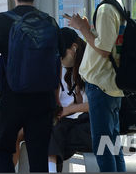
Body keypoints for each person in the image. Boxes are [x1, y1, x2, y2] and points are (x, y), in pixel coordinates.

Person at [0, 0, 59, 173]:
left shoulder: (3, 20)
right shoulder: (49, 22)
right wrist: (56, 99)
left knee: (1, 149)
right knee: (38, 155)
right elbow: (56, 62)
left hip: (12, 98)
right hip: (43, 100)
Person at [67, 0, 125, 172]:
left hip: (101, 87)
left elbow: (102, 49)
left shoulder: (106, 9)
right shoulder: (116, 3)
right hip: (109, 85)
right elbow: (104, 43)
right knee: (112, 145)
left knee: (104, 148)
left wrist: (81, 29)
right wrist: (87, 28)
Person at [48, 28, 91, 172]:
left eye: (61, 54)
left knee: (56, 132)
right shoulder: (74, 69)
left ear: (73, 48)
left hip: (96, 125)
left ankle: (51, 168)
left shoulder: (89, 67)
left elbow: (95, 105)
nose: (59, 59)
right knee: (55, 130)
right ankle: (51, 167)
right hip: (85, 122)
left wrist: (67, 110)